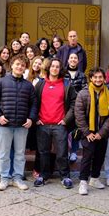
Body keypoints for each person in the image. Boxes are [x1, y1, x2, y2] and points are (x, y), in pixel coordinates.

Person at [0, 54, 38, 191]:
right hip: (4, 124)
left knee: (20, 154)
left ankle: (17, 178)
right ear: (12, 65)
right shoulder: (2, 82)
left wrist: (31, 118)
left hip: (22, 125)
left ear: (25, 68)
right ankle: (4, 179)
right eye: (17, 64)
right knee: (3, 153)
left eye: (22, 65)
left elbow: (34, 104)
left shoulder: (28, 85)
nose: (19, 67)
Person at [33, 58, 77, 189]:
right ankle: (43, 176)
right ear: (48, 68)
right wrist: (35, 118)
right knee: (43, 152)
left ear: (60, 69)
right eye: (52, 66)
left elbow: (74, 103)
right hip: (43, 124)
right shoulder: (40, 84)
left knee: (62, 152)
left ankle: (65, 177)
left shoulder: (66, 84)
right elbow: (33, 103)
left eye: (57, 66)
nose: (55, 68)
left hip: (60, 125)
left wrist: (66, 119)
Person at [74, 67, 109, 195]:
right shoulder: (83, 93)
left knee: (99, 156)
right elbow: (79, 115)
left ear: (104, 78)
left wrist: (101, 133)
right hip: (88, 133)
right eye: (95, 77)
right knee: (87, 157)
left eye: (100, 77)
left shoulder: (108, 93)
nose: (98, 79)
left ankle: (95, 179)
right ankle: (83, 182)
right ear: (91, 78)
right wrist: (87, 132)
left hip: (102, 133)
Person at [64, 53, 87, 162]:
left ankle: (73, 151)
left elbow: (84, 89)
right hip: (65, 105)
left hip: (77, 105)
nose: (73, 60)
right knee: (65, 129)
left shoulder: (82, 75)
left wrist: (76, 97)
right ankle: (66, 151)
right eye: (71, 58)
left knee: (76, 129)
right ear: (68, 60)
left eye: (75, 58)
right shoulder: (63, 73)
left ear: (78, 61)